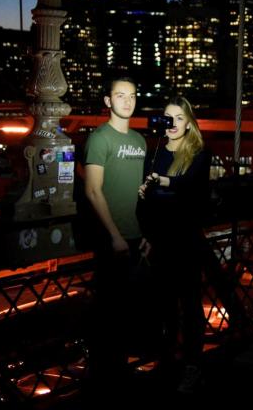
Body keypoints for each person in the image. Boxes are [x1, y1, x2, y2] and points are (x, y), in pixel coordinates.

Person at [138, 95, 210, 394]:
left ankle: (193, 365)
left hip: (188, 240)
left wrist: (164, 183)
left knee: (190, 306)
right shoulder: (156, 153)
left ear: (189, 123)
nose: (172, 124)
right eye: (168, 118)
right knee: (164, 307)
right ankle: (166, 362)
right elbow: (149, 202)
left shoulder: (199, 153)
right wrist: (145, 192)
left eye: (179, 118)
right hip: (162, 241)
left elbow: (193, 187)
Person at [83, 76, 147, 388]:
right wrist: (114, 235)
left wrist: (144, 232)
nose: (127, 101)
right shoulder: (99, 139)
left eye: (132, 95)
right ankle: (101, 379)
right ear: (108, 101)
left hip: (135, 237)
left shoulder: (140, 141)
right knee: (107, 312)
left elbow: (139, 192)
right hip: (111, 239)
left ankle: (119, 373)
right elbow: (93, 191)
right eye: (120, 95)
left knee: (127, 312)